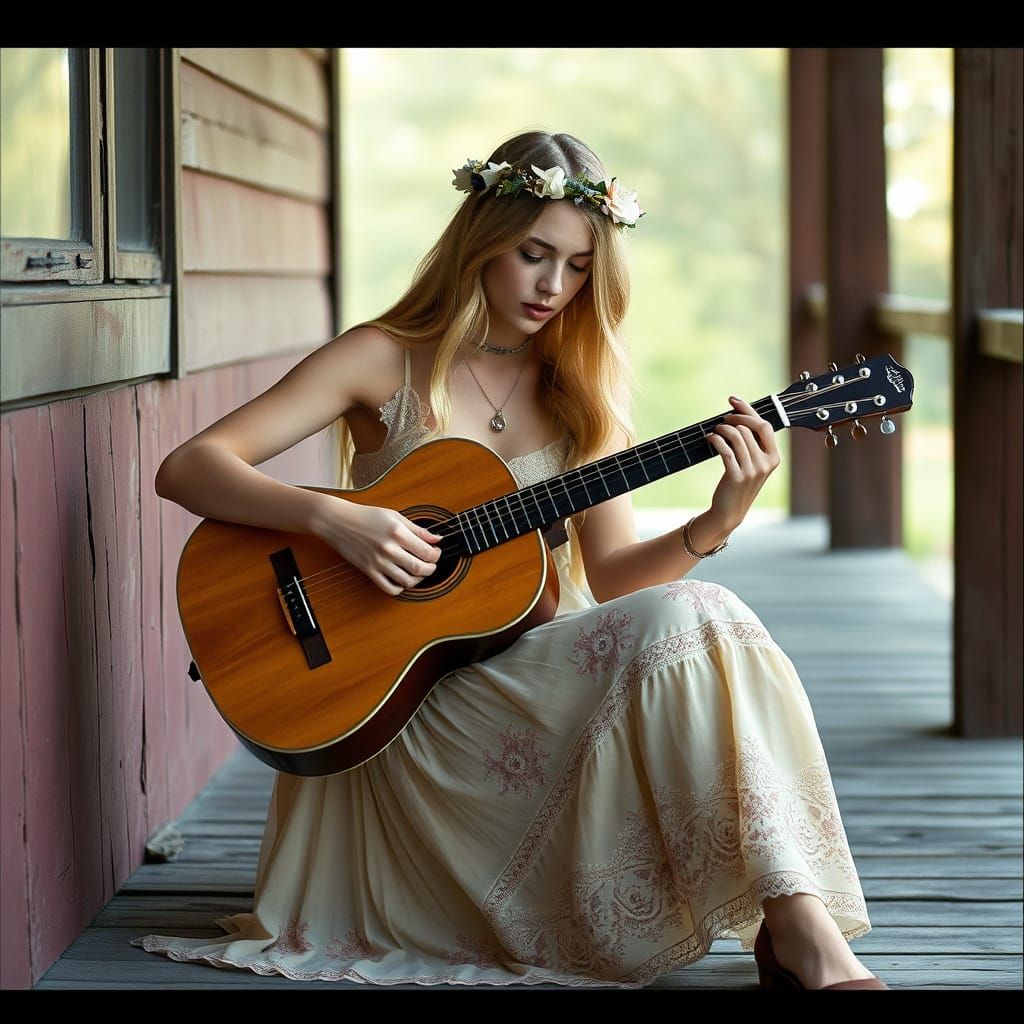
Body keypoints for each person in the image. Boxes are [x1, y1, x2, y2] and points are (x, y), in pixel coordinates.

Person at [131, 130, 888, 990]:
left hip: (525, 691)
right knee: (704, 613)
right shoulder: (384, 358)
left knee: (707, 608)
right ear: (482, 238)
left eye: (576, 267)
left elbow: (612, 582)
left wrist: (715, 520)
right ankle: (806, 945)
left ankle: (801, 928)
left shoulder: (582, 394)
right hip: (394, 703)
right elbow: (188, 467)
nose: (552, 287)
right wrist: (335, 523)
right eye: (534, 255)